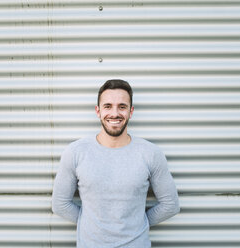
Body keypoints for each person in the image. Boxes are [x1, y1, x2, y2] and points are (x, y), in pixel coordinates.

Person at [52, 79, 180, 248]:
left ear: (131, 111)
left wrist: (137, 224)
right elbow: (60, 204)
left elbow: (170, 205)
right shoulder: (75, 152)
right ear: (98, 111)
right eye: (107, 106)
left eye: (122, 106)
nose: (114, 113)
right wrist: (91, 224)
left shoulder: (151, 153)